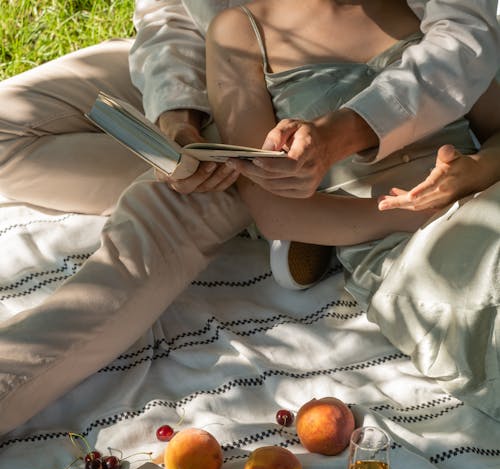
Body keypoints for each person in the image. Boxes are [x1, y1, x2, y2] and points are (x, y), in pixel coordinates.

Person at [0, 1, 499, 435]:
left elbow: (466, 44)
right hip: (231, 69)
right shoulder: (240, 29)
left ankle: (302, 205)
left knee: (154, 222)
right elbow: (167, 16)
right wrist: (177, 120)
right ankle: (290, 206)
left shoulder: (417, 20)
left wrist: (338, 142)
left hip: (318, 101)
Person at [205, 0, 500, 420]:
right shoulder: (241, 31)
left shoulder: (430, 11)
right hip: (403, 241)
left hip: (484, 195)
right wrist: (420, 209)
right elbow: (275, 212)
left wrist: (474, 173)